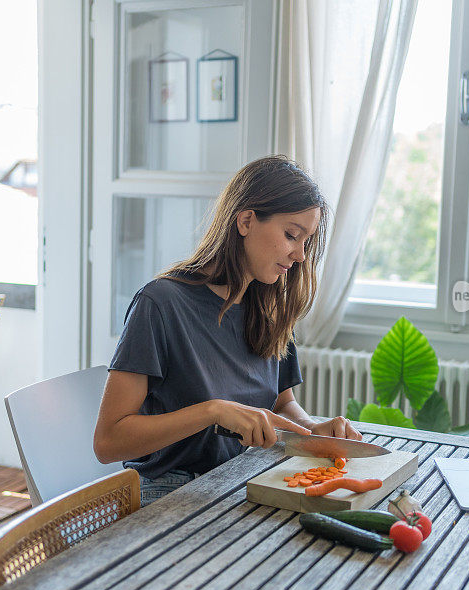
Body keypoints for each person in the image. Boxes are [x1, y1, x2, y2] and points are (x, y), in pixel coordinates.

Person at [93, 154, 362, 505]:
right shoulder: (160, 304)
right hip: (170, 490)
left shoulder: (271, 308)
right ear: (246, 221)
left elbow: (281, 405)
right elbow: (108, 443)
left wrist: (312, 430)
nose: (299, 255)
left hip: (244, 477)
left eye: (306, 242)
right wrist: (212, 411)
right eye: (292, 235)